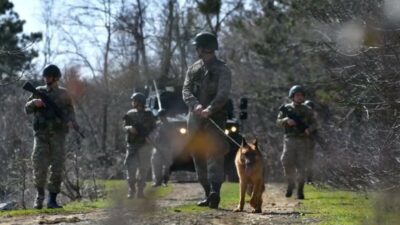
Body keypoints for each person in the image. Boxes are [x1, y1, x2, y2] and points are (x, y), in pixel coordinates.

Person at [182, 31, 232, 209]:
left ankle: (215, 192)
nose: (196, 50)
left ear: (206, 48)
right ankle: (206, 192)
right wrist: (196, 106)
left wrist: (210, 109)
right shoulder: (193, 68)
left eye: (198, 47)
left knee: (215, 153)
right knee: (197, 155)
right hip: (194, 120)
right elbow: (186, 91)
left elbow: (223, 94)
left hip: (215, 118)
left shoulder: (222, 69)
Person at [24, 64, 76, 209]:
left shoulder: (64, 94)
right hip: (41, 136)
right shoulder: (38, 91)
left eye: (49, 76)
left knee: (57, 168)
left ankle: (52, 200)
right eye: (45, 76)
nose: (46, 78)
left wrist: (72, 122)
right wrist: (34, 102)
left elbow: (71, 112)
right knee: (39, 166)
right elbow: (26, 109)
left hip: (58, 136)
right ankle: (39, 196)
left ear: (56, 77)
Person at [276, 85, 316, 199]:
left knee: (302, 165)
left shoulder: (307, 110)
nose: (299, 97)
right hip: (289, 139)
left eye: (301, 95)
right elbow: (278, 122)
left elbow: (315, 123)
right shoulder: (287, 108)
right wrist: (286, 120)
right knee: (286, 161)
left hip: (303, 140)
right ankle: (290, 182)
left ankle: (300, 190)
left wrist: (309, 129)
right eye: (297, 95)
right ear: (292, 96)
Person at [123, 92, 156, 198]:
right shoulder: (130, 113)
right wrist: (129, 128)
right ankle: (131, 190)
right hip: (132, 144)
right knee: (130, 167)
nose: (132, 102)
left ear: (139, 102)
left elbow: (154, 129)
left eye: (134, 101)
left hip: (145, 145)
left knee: (143, 168)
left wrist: (150, 138)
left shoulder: (149, 114)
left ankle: (140, 191)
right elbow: (124, 126)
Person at [150, 109, 173, 187]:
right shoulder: (157, 124)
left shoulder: (169, 125)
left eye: (162, 116)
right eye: (160, 116)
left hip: (166, 146)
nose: (160, 118)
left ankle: (165, 181)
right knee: (156, 163)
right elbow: (153, 134)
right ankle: (157, 181)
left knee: (167, 165)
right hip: (157, 146)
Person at [303, 100, 317, 183]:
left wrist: (310, 130)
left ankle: (309, 179)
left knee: (309, 162)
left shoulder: (313, 118)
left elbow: (315, 128)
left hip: (310, 142)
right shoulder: (301, 116)